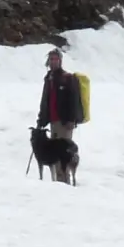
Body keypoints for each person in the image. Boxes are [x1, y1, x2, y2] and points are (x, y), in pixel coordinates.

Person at [36, 48, 84, 184]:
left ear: (60, 61)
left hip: (64, 122)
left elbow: (74, 100)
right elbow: (45, 100)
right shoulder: (49, 78)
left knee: (64, 153)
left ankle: (65, 183)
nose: (53, 62)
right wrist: (41, 119)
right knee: (55, 154)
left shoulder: (67, 78)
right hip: (53, 121)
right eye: (51, 59)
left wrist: (71, 119)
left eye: (55, 59)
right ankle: (58, 183)